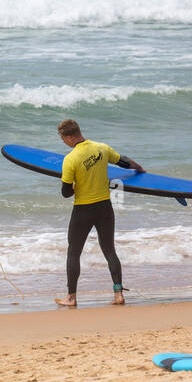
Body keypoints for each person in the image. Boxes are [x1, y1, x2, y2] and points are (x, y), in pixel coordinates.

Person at [53, 119, 145, 308]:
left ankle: (71, 297)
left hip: (83, 210)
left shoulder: (70, 159)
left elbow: (65, 193)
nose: (64, 142)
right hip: (104, 207)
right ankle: (118, 294)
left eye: (63, 139)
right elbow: (124, 161)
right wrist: (139, 168)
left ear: (69, 137)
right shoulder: (101, 148)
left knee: (74, 252)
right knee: (109, 250)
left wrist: (71, 181)